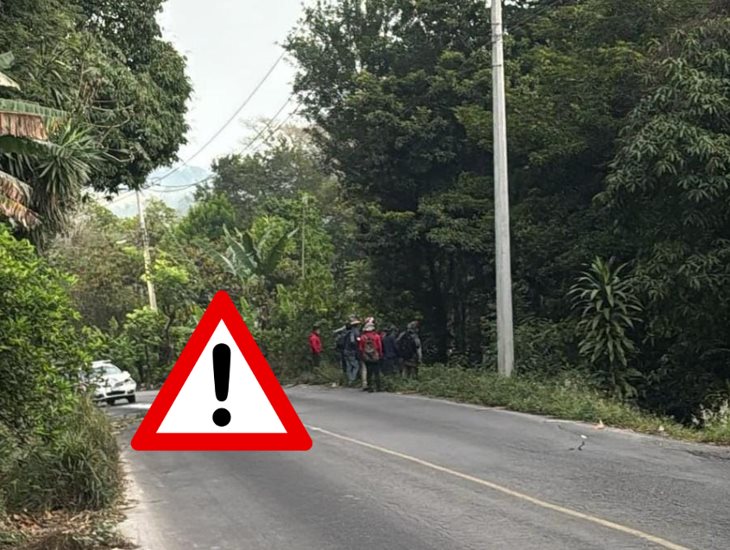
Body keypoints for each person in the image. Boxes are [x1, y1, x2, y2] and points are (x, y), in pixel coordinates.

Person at [359, 320, 384, 392]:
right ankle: (378, 387)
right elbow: (379, 347)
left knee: (369, 372)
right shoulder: (377, 336)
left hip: (367, 356)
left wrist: (363, 355)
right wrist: (380, 354)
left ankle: (370, 387)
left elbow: (360, 348)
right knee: (376, 372)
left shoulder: (363, 337)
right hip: (375, 356)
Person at [342, 315, 362, 384]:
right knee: (356, 366)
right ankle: (352, 379)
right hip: (351, 351)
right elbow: (353, 341)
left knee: (349, 366)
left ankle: (349, 380)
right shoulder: (355, 332)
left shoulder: (347, 332)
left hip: (345, 350)